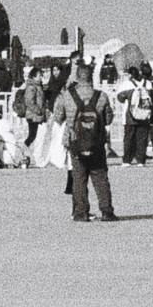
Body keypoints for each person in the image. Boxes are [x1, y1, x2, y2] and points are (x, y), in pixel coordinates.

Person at [58, 65, 117, 222]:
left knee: (79, 177)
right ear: (92, 77)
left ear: (77, 77)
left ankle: (81, 212)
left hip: (75, 141)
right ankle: (107, 211)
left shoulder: (67, 95)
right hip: (96, 142)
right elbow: (109, 119)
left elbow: (58, 117)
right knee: (100, 176)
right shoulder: (102, 96)